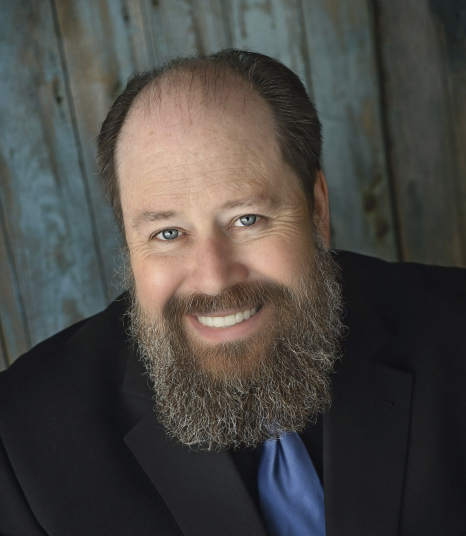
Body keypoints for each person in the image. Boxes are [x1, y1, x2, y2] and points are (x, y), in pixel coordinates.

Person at [0, 49, 465, 536]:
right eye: (168, 233)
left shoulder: (456, 333)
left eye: (247, 219)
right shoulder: (21, 443)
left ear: (317, 209)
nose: (214, 278)